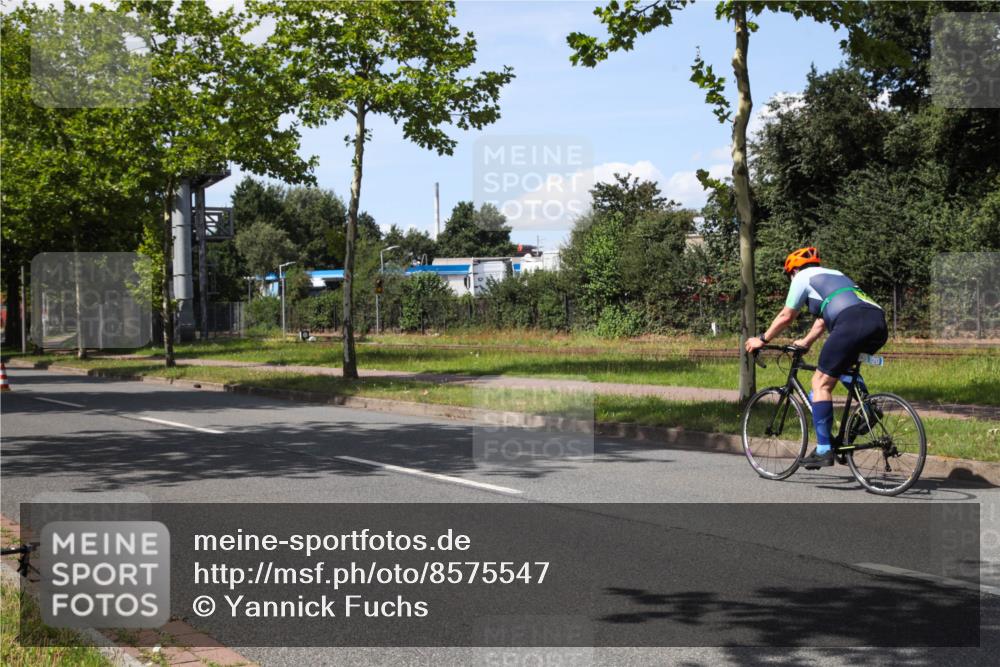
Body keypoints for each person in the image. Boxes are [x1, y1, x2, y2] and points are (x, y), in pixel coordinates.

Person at [744, 247, 888, 468]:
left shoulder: (801, 277)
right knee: (842, 367)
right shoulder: (836, 275)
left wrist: (762, 339)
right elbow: (822, 319)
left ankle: (823, 450)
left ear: (792, 270)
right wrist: (806, 342)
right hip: (877, 322)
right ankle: (868, 408)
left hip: (851, 322)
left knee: (819, 382)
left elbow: (786, 315)